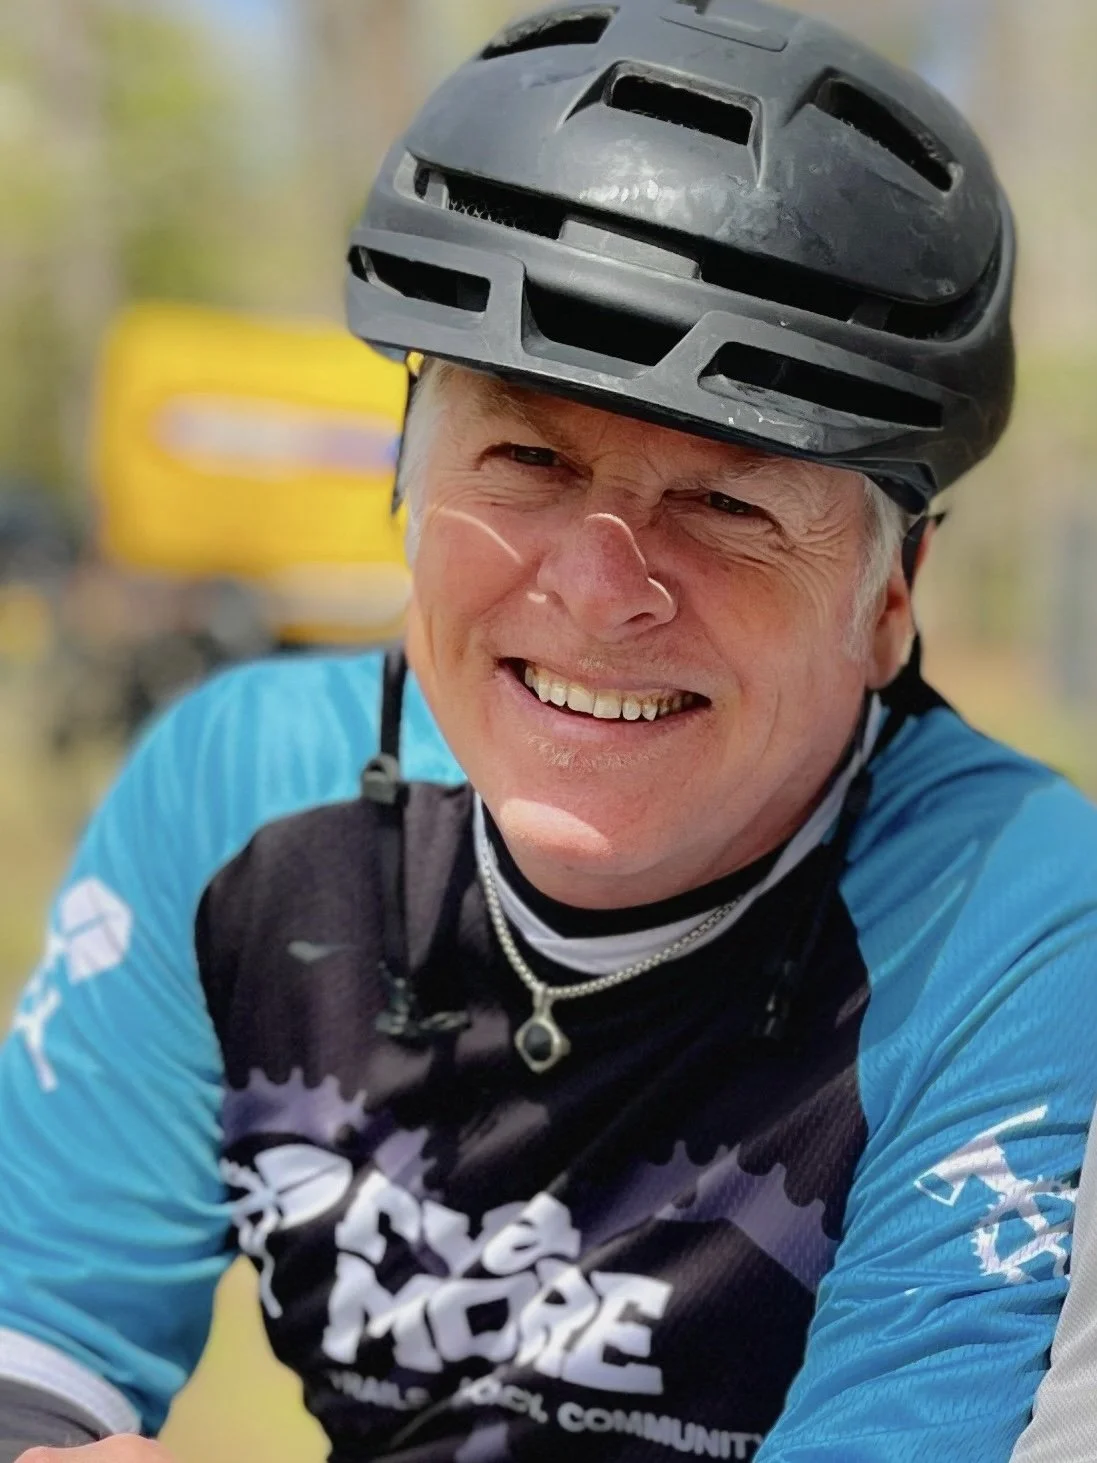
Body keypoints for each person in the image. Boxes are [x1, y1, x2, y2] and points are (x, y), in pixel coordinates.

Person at [1, 1, 1095, 1459]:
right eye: (525, 454)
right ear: (403, 480)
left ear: (893, 593)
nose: (597, 587)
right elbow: (34, 1346)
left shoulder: (1020, 930)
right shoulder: (237, 793)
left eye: (730, 502)